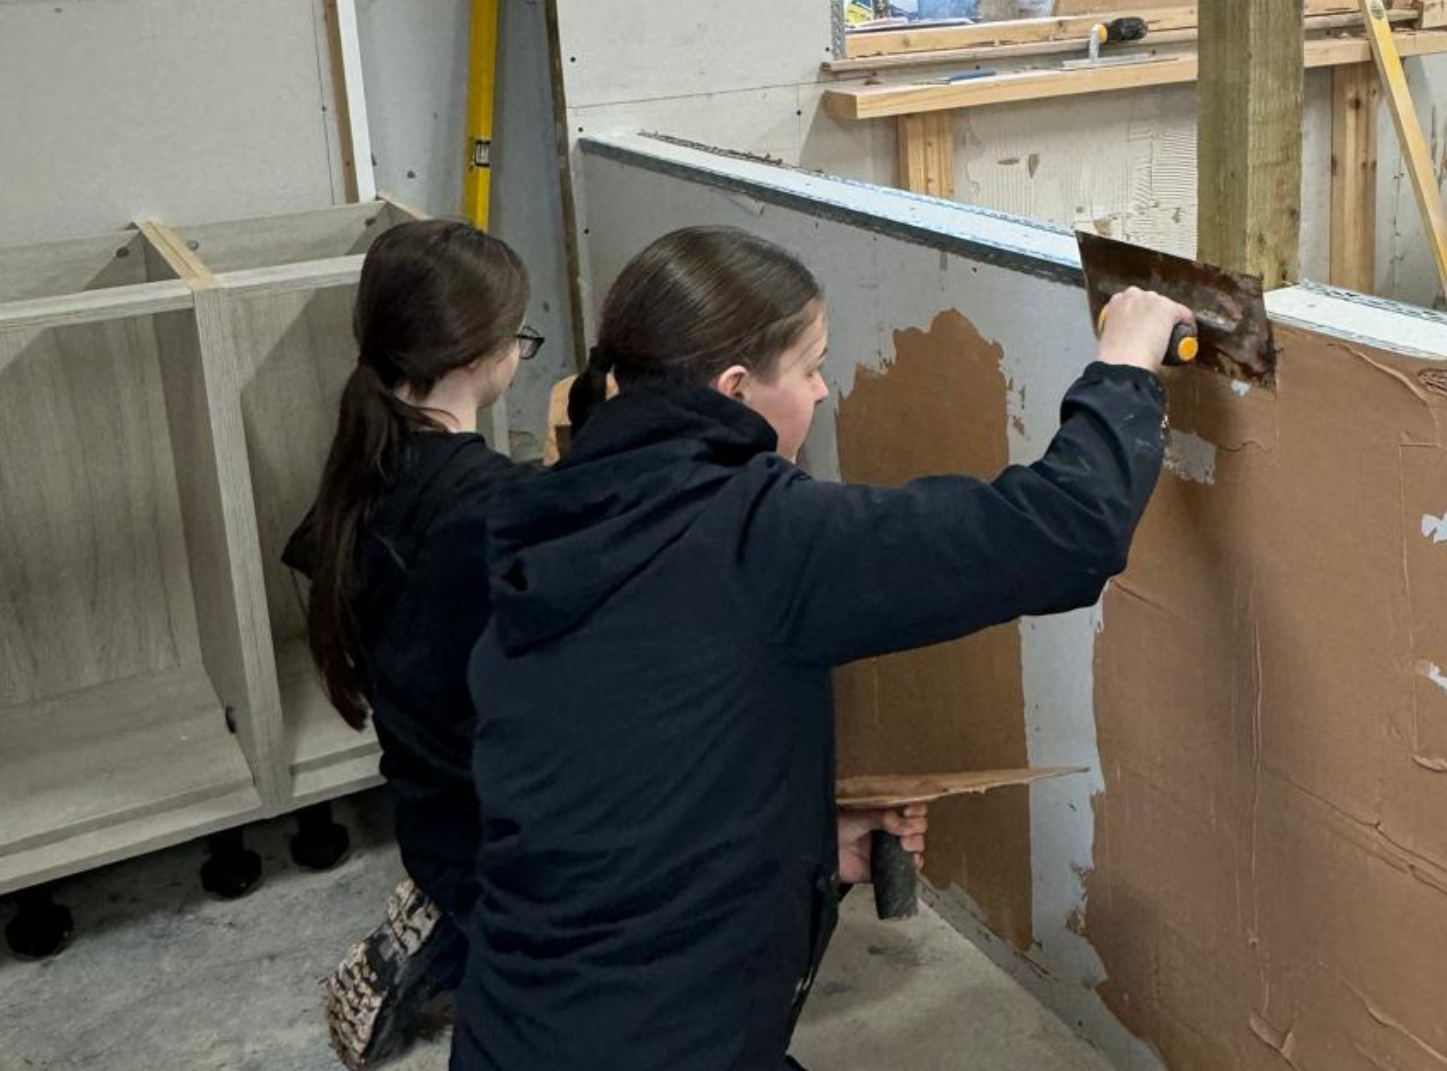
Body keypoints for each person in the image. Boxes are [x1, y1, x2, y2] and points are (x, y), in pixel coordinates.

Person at [453, 226, 1190, 1071]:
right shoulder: (761, 536)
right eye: (809, 368)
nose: (824, 389)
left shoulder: (561, 518)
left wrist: (796, 838)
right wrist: (1126, 368)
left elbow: (618, 781)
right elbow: (1060, 535)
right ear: (735, 389)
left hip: (519, 1031)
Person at [286, 219, 536, 1068]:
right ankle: (460, 946)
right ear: (483, 357)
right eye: (520, 337)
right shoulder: (488, 503)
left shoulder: (366, 462)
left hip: (429, 810)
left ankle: (442, 925)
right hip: (496, 837)